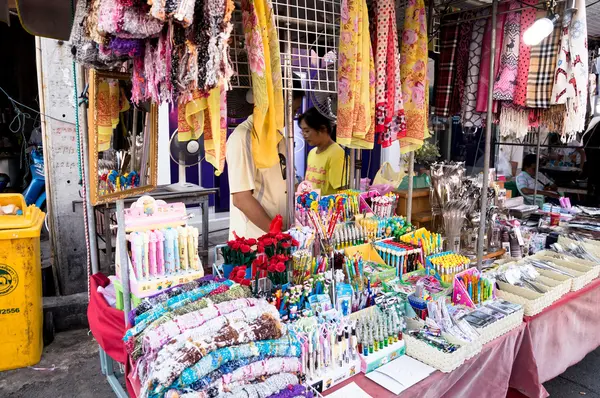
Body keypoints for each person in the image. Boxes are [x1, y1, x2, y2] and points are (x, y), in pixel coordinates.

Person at [226, 82, 304, 240]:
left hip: (280, 237)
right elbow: (241, 199)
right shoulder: (243, 138)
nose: (293, 118)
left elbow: (288, 180)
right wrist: (277, 234)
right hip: (255, 241)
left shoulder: (281, 138)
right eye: (292, 111)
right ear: (276, 104)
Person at [299, 107, 348, 195]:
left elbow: (342, 191)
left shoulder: (336, 153)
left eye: (307, 131)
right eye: (302, 131)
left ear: (323, 129)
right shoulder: (312, 153)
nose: (304, 135)